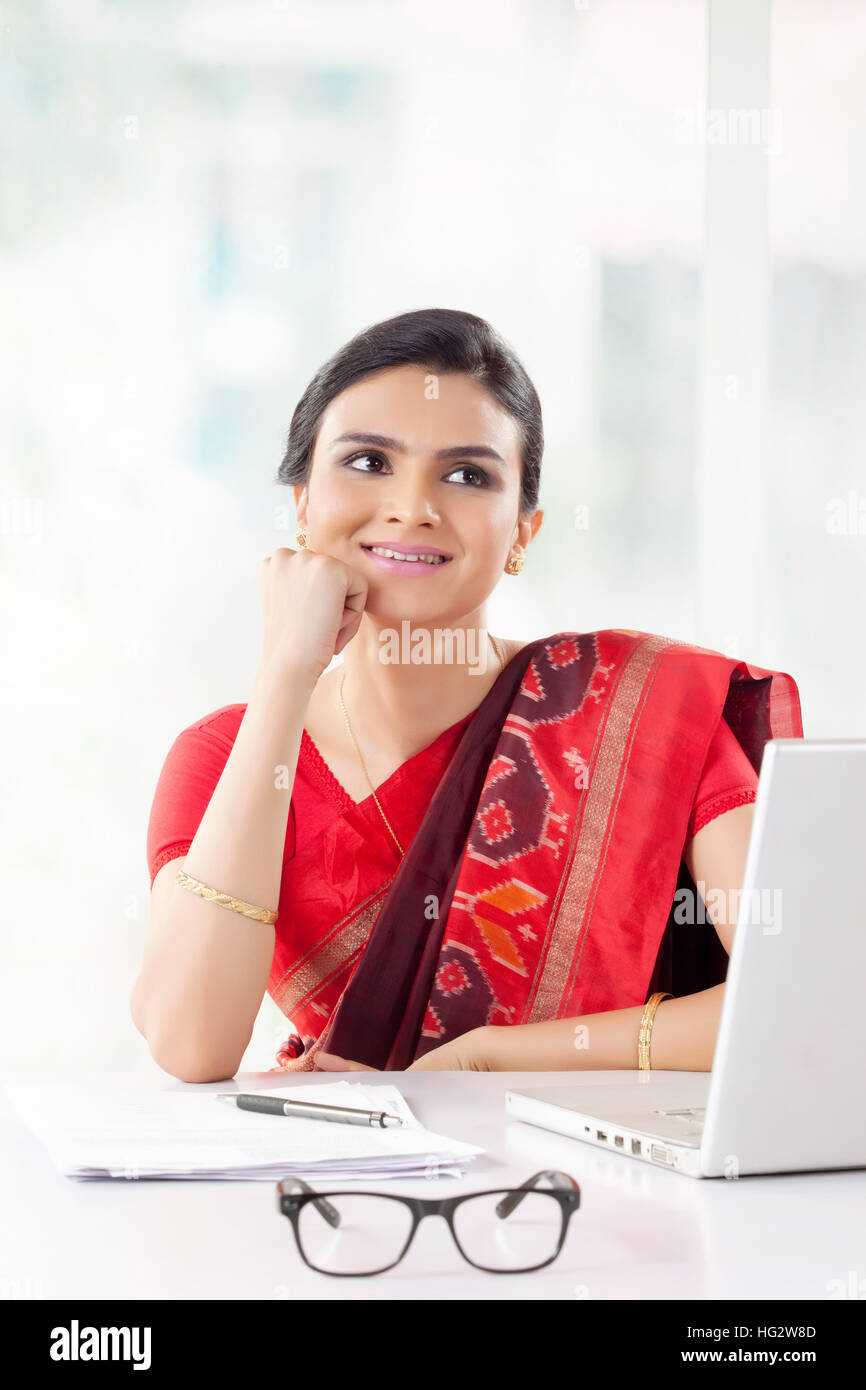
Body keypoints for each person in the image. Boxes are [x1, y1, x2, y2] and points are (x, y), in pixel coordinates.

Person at [135, 308, 803, 1083]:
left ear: (524, 531)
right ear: (302, 504)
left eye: (466, 475)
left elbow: (803, 996)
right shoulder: (224, 755)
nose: (413, 506)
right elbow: (192, 1044)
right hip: (348, 1174)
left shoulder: (635, 710)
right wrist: (286, 672)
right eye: (367, 462)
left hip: (607, 1185)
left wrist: (490, 1058)